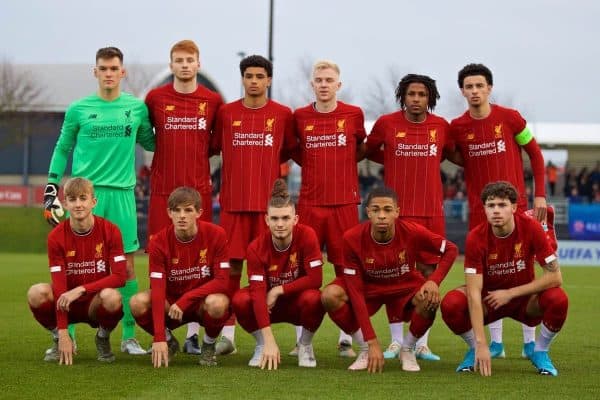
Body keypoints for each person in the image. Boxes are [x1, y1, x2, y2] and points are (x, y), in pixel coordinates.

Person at [43, 46, 154, 355]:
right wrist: (51, 185)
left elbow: (152, 141)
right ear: (95, 72)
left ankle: (128, 338)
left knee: (128, 268)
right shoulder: (79, 108)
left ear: (123, 72)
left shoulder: (136, 108)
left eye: (113, 68)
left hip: (122, 195)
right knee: (73, 267)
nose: (108, 74)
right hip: (83, 196)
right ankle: (68, 336)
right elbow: (62, 146)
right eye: (103, 68)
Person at [448, 63, 547, 358]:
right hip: (481, 211)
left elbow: (536, 155)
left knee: (522, 266)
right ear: (462, 91)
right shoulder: (458, 127)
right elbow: (454, 155)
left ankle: (530, 341)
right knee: (488, 272)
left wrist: (540, 195)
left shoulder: (510, 118)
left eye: (480, 86)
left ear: (489, 88)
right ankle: (495, 343)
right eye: (469, 87)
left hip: (517, 209)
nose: (475, 91)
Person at [211, 55, 296, 355]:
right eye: (249, 76)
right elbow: (212, 148)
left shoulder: (283, 114)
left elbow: (287, 151)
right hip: (234, 205)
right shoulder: (226, 113)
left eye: (260, 76)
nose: (255, 81)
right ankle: (228, 336)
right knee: (232, 268)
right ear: (242, 79)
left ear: (269, 80)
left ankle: (287, 339)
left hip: (267, 211)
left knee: (277, 271)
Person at [364, 73, 453, 362]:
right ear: (403, 96)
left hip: (430, 212)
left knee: (428, 274)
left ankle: (422, 343)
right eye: (411, 94)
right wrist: (394, 158)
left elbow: (448, 153)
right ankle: (395, 341)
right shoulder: (386, 124)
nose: (416, 99)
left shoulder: (441, 127)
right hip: (396, 213)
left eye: (422, 94)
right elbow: (368, 150)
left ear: (430, 98)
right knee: (395, 274)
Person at [321, 186, 458, 372]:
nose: (382, 215)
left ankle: (408, 349)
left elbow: (451, 249)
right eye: (376, 210)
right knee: (329, 295)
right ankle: (363, 349)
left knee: (430, 299)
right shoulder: (351, 238)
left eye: (387, 210)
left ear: (397, 212)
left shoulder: (412, 231)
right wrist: (371, 341)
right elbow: (355, 292)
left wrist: (434, 280)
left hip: (404, 285)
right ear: (368, 212)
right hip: (368, 287)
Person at [441, 181, 568, 376]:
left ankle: (540, 351)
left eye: (502, 205)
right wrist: (482, 343)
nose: (496, 211)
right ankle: (474, 348)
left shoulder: (532, 228)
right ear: (484, 209)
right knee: (451, 303)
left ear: (514, 207)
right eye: (491, 206)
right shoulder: (475, 237)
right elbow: (474, 292)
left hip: (525, 301)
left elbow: (555, 276)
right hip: (489, 301)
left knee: (558, 299)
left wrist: (510, 293)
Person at [145, 39, 223, 354]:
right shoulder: (154, 98)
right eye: (179, 60)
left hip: (197, 193)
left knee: (198, 264)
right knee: (159, 261)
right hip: (163, 192)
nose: (185, 65)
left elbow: (216, 144)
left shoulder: (212, 101)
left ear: (198, 63)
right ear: (171, 64)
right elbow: (144, 136)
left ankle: (193, 334)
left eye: (190, 60)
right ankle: (162, 333)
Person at [290, 60, 366, 357]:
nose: (323, 84)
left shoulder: (353, 114)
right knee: (301, 269)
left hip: (344, 203)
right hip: (310, 203)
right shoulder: (300, 116)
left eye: (329, 80)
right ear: (312, 84)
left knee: (346, 269)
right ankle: (300, 340)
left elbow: (359, 148)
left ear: (339, 84)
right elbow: (296, 150)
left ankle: (345, 337)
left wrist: (341, 166)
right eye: (319, 80)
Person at [28, 177, 127, 364]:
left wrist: (81, 289)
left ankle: (103, 338)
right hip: (66, 302)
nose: (78, 204)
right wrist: (64, 332)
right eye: (72, 199)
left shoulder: (111, 230)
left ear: (93, 202)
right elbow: (58, 286)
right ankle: (58, 338)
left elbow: (120, 277)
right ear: (65, 204)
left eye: (83, 198)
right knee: (36, 293)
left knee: (112, 297)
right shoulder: (56, 237)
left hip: (94, 304)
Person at [130, 187, 231, 367]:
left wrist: (186, 299)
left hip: (201, 303)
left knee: (218, 303)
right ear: (169, 213)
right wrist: (159, 337)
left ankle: (208, 345)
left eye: (188, 210)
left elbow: (223, 281)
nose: (182, 216)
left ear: (199, 212)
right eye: (176, 210)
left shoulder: (217, 234)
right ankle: (169, 342)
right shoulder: (158, 242)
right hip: (172, 305)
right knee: (138, 302)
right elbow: (158, 288)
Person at [232, 179, 325, 369]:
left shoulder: (307, 235)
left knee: (315, 298)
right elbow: (258, 293)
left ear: (295, 219)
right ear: (267, 220)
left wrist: (278, 290)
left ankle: (305, 345)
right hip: (266, 305)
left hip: (295, 301)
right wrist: (269, 340)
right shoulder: (256, 247)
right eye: (274, 219)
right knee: (240, 300)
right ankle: (261, 345)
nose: (280, 224)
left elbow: (316, 279)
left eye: (285, 218)